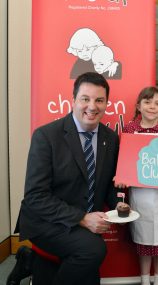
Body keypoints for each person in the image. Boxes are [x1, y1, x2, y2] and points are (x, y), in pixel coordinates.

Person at [7, 72, 127, 285]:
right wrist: (82, 218)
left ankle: (29, 261)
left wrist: (120, 204)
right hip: (46, 221)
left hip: (83, 224)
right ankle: (31, 260)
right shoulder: (46, 136)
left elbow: (109, 182)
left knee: (89, 273)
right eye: (85, 99)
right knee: (94, 249)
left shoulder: (110, 139)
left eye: (99, 100)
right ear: (73, 100)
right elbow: (35, 196)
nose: (92, 106)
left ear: (106, 103)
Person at [117, 86, 158, 285]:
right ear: (138, 105)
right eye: (147, 102)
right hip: (139, 194)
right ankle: (145, 280)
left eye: (157, 103)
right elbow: (124, 161)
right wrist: (122, 177)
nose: (152, 107)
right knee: (143, 240)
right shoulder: (129, 129)